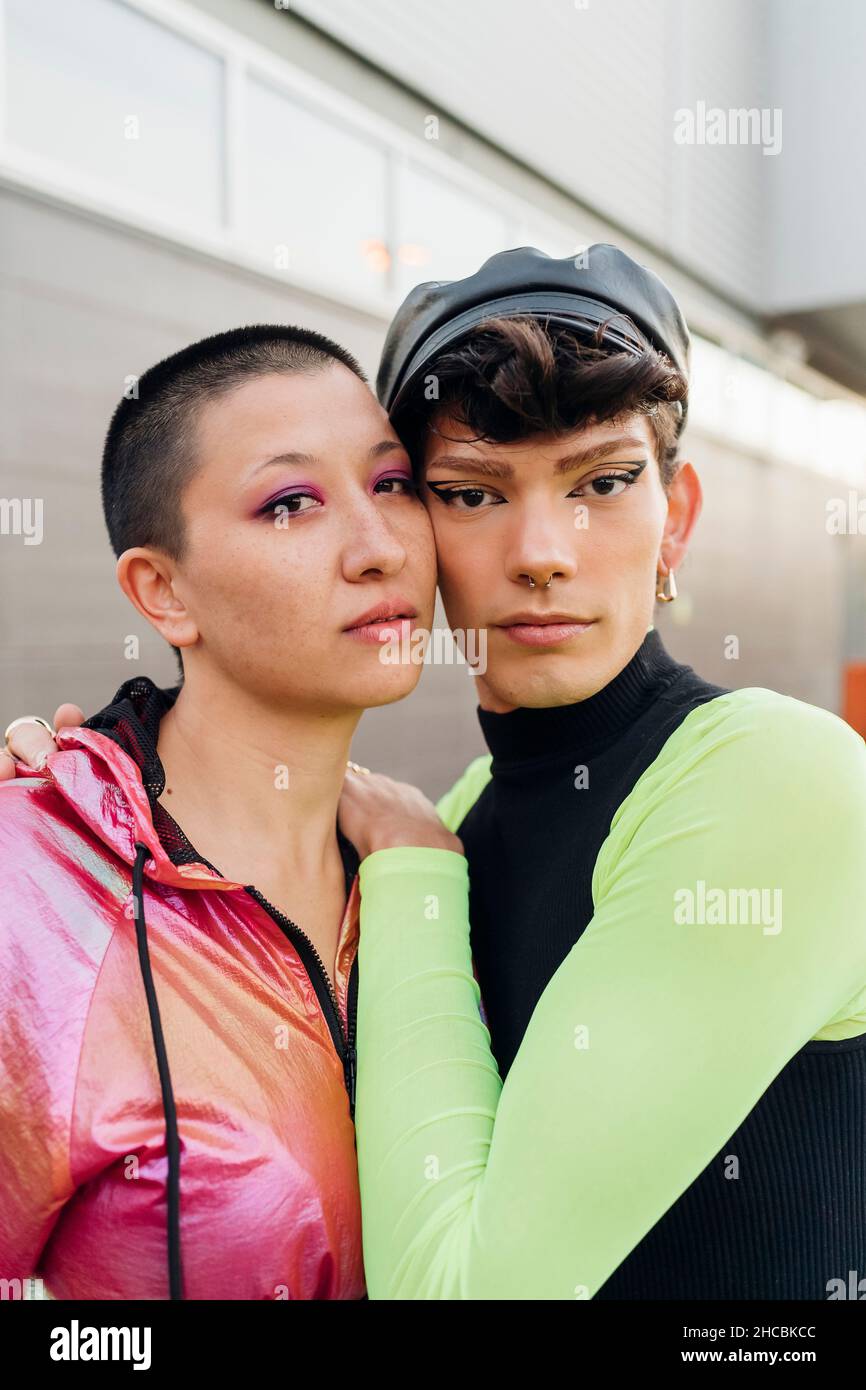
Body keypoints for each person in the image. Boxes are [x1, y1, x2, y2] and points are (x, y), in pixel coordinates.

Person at [8, 247, 866, 1300]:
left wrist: (414, 873)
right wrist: (65, 811)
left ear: (674, 519)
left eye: (603, 481)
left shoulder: (777, 776)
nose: (542, 550)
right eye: (468, 493)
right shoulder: (448, 825)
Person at [0, 323, 454, 1300]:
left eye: (391, 484)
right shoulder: (29, 887)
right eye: (289, 503)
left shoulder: (430, 866)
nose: (378, 549)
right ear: (161, 590)